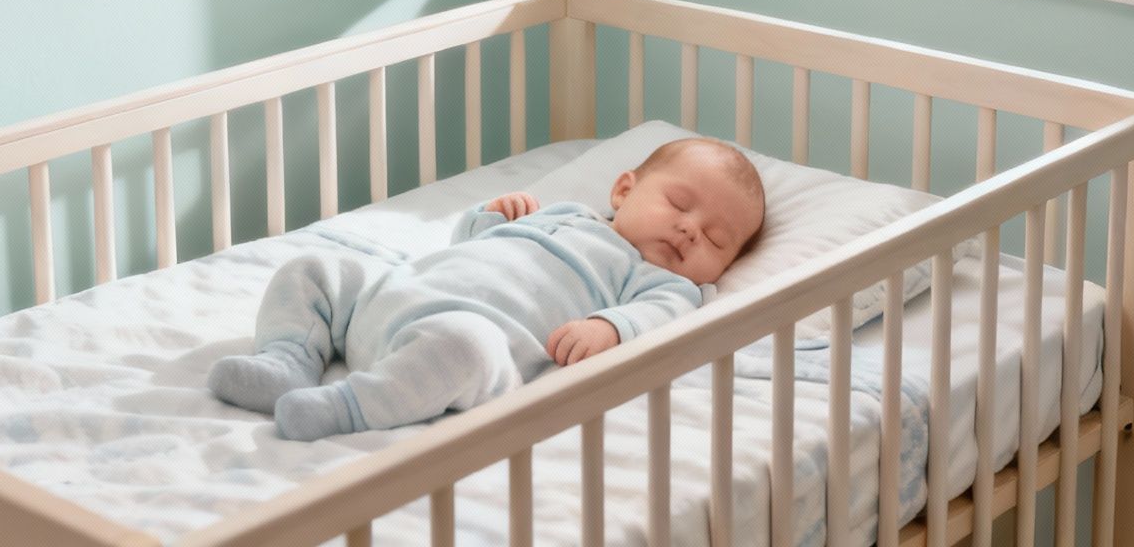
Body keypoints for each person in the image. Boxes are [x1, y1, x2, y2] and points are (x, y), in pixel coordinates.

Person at [208, 137, 766, 440]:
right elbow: (466, 243)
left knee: (464, 347)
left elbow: (658, 320)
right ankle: (287, 360)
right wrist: (492, 217)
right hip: (392, 297)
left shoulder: (661, 282)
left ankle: (348, 408)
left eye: (717, 239)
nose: (690, 229)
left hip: (471, 338)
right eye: (679, 204)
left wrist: (607, 328)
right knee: (316, 270)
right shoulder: (568, 213)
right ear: (624, 190)